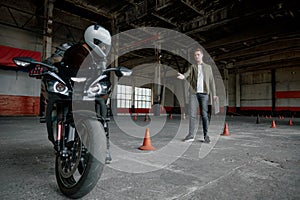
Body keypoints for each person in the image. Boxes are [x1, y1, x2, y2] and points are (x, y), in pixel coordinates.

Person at [45, 24, 112, 163]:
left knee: (102, 108)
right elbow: (51, 63)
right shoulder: (68, 49)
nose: (105, 49)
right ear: (94, 41)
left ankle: (105, 146)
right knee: (53, 107)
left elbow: (102, 75)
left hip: (87, 90)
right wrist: (46, 67)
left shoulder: (99, 59)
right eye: (103, 45)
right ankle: (56, 133)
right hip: (69, 88)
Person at [177, 48, 217, 143]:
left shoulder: (208, 67)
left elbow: (212, 81)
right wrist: (183, 76)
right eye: (195, 55)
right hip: (193, 93)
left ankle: (206, 136)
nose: (196, 56)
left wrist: (214, 94)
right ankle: (190, 136)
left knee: (204, 115)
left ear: (202, 55)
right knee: (192, 115)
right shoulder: (192, 67)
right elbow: (187, 74)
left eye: (198, 54)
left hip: (204, 94)